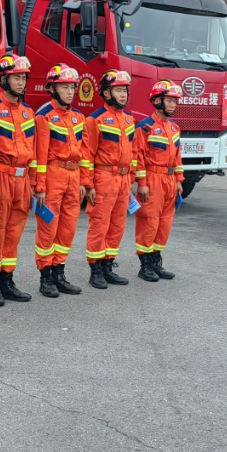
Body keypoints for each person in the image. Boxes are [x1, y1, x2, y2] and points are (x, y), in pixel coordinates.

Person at [0, 54, 37, 307]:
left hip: (22, 180)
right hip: (0, 177)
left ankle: (7, 281)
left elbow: (33, 151)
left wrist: (34, 184)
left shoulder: (28, 112)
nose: (21, 82)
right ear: (3, 79)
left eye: (23, 77)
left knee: (13, 234)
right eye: (16, 77)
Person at [32, 64, 87, 297]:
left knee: (68, 228)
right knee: (48, 228)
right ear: (52, 89)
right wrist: (40, 186)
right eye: (64, 87)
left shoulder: (78, 117)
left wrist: (84, 181)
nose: (69, 91)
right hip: (53, 175)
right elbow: (40, 155)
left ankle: (59, 273)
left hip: (73, 176)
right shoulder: (44, 116)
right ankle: (46, 277)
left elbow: (83, 153)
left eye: (72, 87)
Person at [82, 70, 138, 289]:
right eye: (118, 90)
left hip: (123, 179)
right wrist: (89, 184)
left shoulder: (129, 119)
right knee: (100, 225)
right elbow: (87, 155)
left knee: (117, 225)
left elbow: (133, 152)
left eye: (125, 90)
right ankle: (95, 270)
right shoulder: (95, 119)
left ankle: (108, 265)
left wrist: (131, 177)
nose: (123, 95)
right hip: (104, 177)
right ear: (106, 93)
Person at [134, 80, 185, 282]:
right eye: (169, 100)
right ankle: (145, 265)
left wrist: (179, 180)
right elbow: (137, 157)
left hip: (170, 180)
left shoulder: (174, 128)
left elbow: (178, 157)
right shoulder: (144, 127)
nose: (173, 105)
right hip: (153, 180)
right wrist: (143, 183)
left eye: (175, 101)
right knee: (149, 222)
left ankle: (156, 262)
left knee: (164, 223)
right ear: (156, 101)